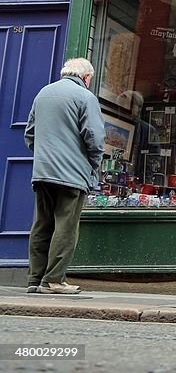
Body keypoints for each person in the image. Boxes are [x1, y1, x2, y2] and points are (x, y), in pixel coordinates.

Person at [24, 58, 105, 294]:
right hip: (72, 174)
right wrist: (93, 165)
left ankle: (34, 279)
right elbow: (95, 138)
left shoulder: (43, 94)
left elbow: (30, 134)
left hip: (43, 172)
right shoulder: (85, 97)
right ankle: (54, 280)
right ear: (86, 77)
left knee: (42, 223)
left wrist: (44, 157)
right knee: (66, 227)